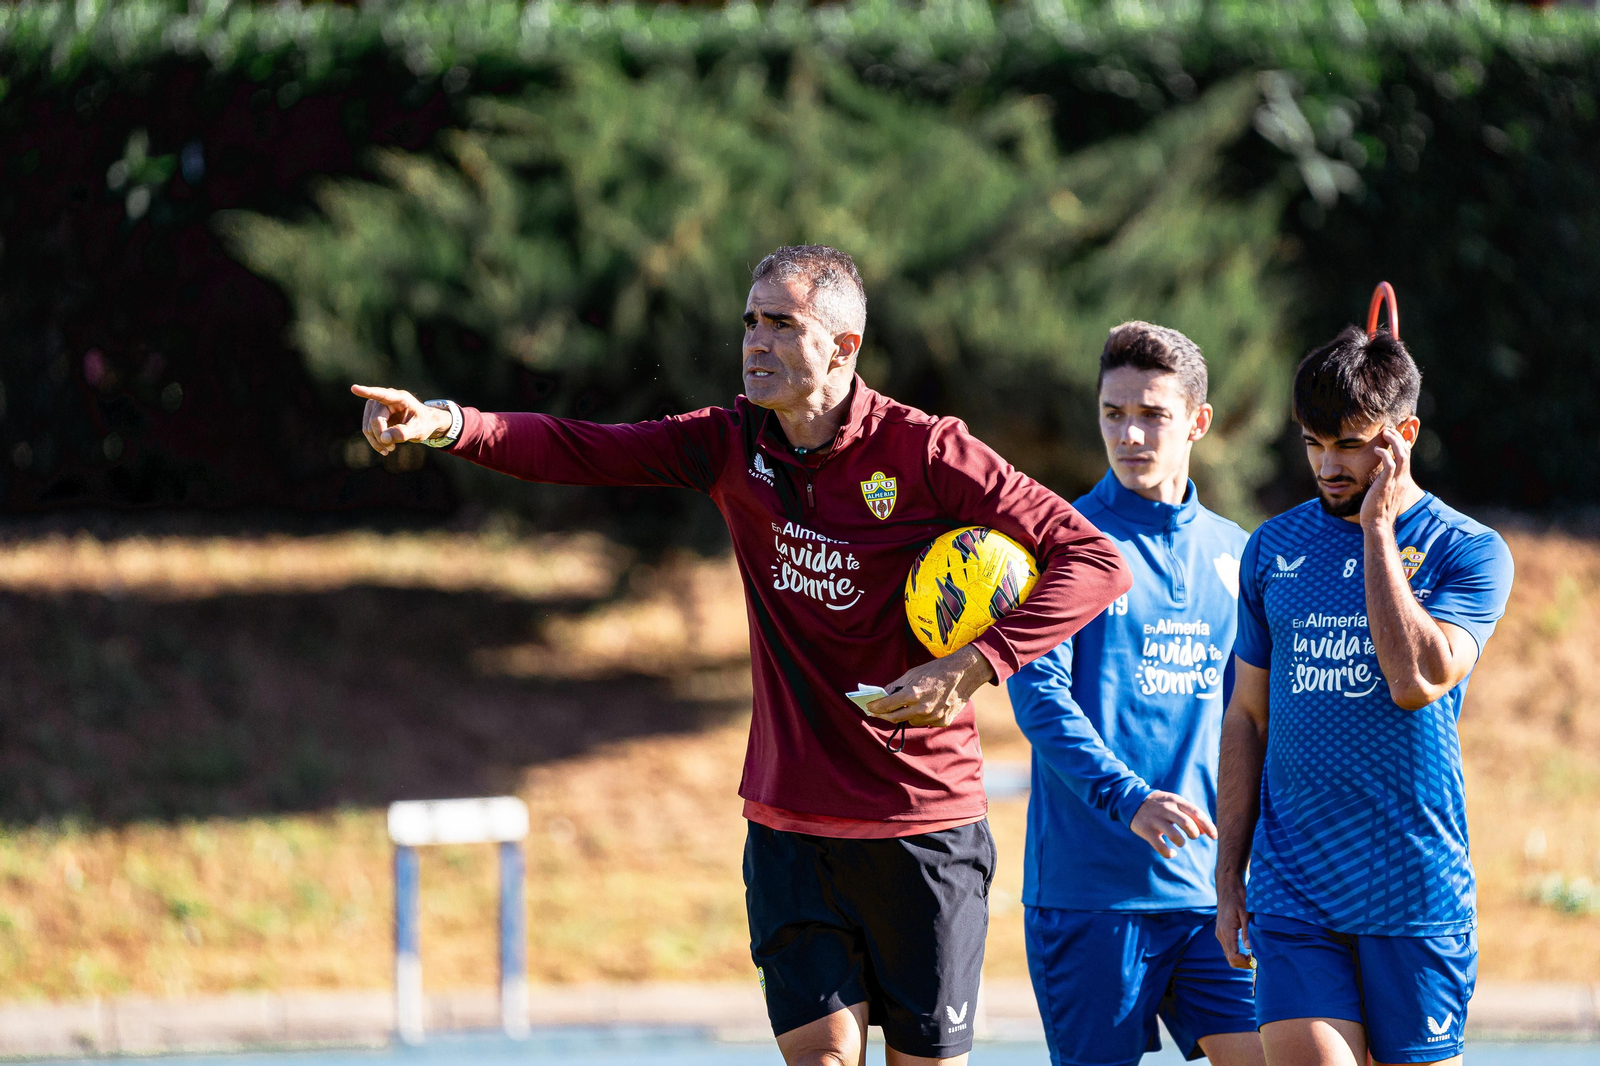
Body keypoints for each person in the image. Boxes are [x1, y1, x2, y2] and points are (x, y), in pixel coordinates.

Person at [353, 245, 1132, 1066]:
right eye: (750, 321)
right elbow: (583, 448)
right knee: (824, 1059)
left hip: (921, 827)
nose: (754, 341)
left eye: (782, 324)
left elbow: (1095, 559)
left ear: (843, 347)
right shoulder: (728, 443)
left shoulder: (928, 452)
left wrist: (971, 666)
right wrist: (447, 422)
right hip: (790, 826)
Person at [1214, 324, 1514, 1066]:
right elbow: (1248, 716)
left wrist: (1376, 530)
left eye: (1348, 444)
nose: (1327, 465)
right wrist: (1228, 880)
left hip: (1413, 894)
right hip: (1294, 891)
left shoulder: (1468, 551)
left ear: (1403, 436)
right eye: (1313, 443)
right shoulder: (1272, 549)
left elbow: (1417, 679)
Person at [1007, 323, 1264, 1066]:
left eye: (1152, 414)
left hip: (1210, 898)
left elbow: (1261, 717)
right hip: (1092, 899)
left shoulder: (1238, 554)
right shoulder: (1062, 542)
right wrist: (1130, 799)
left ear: (1198, 422)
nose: (1130, 433)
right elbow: (1040, 703)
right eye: (1113, 413)